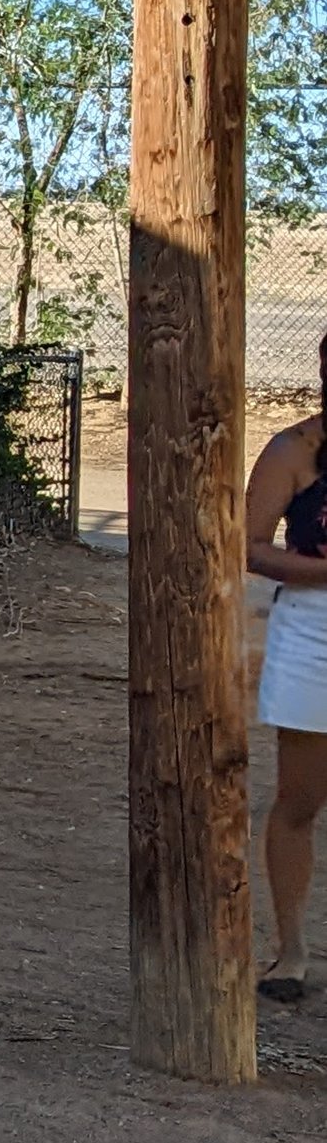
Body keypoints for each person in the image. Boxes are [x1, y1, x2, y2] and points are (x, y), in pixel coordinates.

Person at [247, 331, 327, 1001]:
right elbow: (250, 548)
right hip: (314, 629)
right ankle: (292, 952)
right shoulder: (294, 451)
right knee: (300, 799)